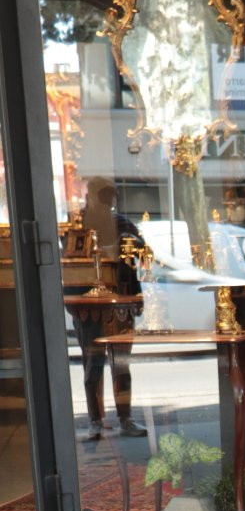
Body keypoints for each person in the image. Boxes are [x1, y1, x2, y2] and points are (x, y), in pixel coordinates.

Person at [73, 177, 148, 440]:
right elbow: (69, 262)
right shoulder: (78, 225)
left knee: (121, 363)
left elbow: (141, 253)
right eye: (103, 196)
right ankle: (95, 420)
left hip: (121, 303)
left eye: (111, 197)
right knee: (93, 363)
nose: (108, 201)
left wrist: (132, 245)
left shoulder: (122, 224)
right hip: (87, 304)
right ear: (90, 196)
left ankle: (125, 418)